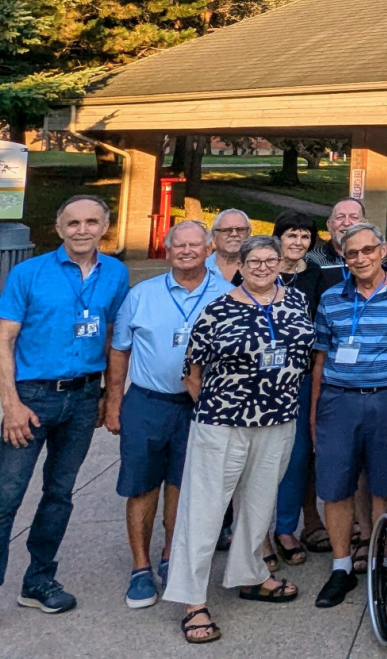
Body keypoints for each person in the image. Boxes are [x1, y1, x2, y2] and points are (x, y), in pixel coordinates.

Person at [162, 235, 313, 643]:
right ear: (240, 267)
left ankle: (251, 575)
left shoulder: (296, 303)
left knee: (259, 504)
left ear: (282, 263)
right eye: (254, 261)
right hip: (223, 423)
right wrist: (220, 406)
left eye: (270, 260)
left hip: (279, 421)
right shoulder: (218, 309)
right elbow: (192, 371)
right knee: (205, 509)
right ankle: (193, 600)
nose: (263, 267)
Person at [0, 193, 128, 613]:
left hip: (82, 398)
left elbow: (111, 337)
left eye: (92, 222)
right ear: (58, 229)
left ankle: (38, 580)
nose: (82, 230)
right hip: (31, 399)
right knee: (6, 496)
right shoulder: (28, 273)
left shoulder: (116, 274)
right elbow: (5, 339)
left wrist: (110, 394)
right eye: (73, 223)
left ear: (104, 227)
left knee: (59, 494)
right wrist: (10, 404)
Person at [106, 220, 231, 608]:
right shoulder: (142, 294)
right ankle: (140, 567)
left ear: (209, 249)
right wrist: (114, 403)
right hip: (149, 402)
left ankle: (169, 557)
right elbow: (120, 350)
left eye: (196, 245)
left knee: (183, 485)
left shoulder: (229, 294)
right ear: (168, 249)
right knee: (142, 485)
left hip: (201, 407)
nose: (188, 251)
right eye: (180, 245)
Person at [310, 220, 387, 607]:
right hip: (339, 400)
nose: (360, 258)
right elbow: (321, 359)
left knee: (383, 485)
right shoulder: (331, 299)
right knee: (335, 486)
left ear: (383, 251)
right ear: (343, 258)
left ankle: (380, 562)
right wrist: (315, 414)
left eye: (367, 250)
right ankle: (341, 567)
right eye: (351, 253)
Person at [268, 211, 335, 562]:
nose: (297, 243)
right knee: (259, 457)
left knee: (296, 457)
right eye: (291, 236)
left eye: (305, 237)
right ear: (278, 237)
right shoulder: (260, 268)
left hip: (302, 376)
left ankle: (285, 527)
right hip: (260, 381)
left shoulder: (317, 277)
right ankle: (254, 534)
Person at [206, 208, 252, 283]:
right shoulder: (199, 269)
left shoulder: (259, 269)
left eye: (240, 229)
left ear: (249, 234)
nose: (234, 234)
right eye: (226, 230)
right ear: (214, 236)